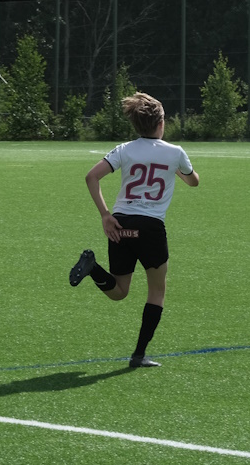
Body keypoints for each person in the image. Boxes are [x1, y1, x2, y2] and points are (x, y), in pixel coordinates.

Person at [69, 92, 199, 368]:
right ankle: (138, 355)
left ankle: (93, 268)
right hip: (150, 228)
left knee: (119, 291)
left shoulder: (124, 149)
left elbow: (91, 177)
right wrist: (176, 169)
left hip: (121, 223)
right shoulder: (175, 152)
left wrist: (105, 215)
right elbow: (193, 182)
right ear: (161, 123)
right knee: (157, 292)